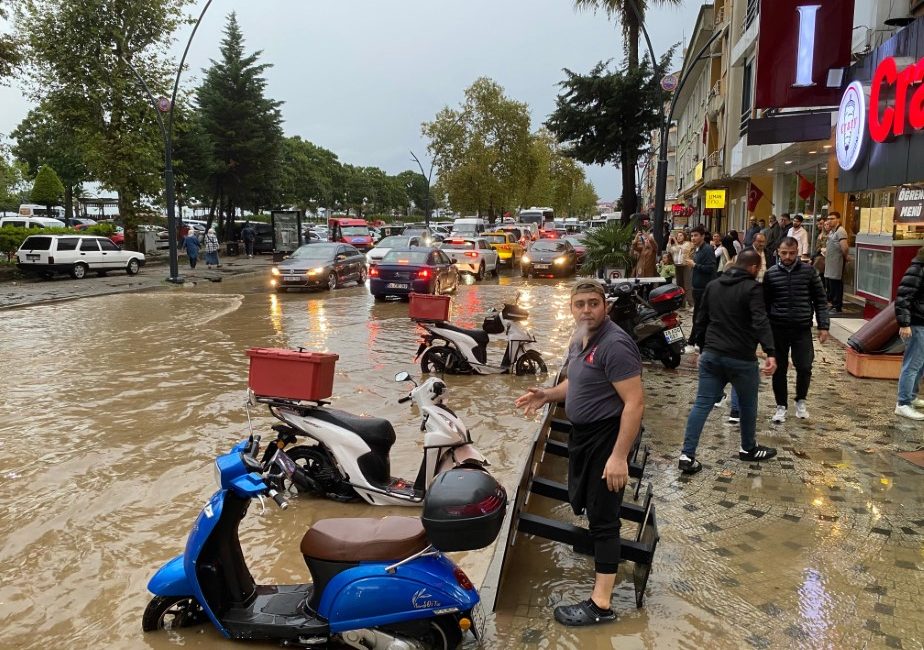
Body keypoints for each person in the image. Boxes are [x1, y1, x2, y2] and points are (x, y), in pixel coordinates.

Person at [515, 280, 644, 626]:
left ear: (606, 306)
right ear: (572, 308)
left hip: (607, 436)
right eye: (580, 304)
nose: (586, 310)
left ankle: (600, 605)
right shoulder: (580, 337)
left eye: (593, 303)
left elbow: (634, 402)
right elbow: (578, 382)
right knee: (587, 502)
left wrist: (619, 456)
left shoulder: (615, 344)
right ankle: (602, 565)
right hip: (584, 436)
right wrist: (546, 394)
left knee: (604, 516)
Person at [678, 249, 778, 475]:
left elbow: (701, 319)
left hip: (712, 355)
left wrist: (699, 348)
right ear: (752, 267)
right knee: (747, 403)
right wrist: (771, 352)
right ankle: (747, 448)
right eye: (758, 268)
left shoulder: (714, 286)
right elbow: (760, 320)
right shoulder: (753, 288)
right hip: (741, 357)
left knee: (702, 404)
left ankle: (687, 454)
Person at [763, 237, 830, 423]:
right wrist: (764, 332)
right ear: (778, 251)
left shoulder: (809, 272)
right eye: (784, 253)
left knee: (804, 366)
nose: (788, 256)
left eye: (792, 253)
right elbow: (765, 304)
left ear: (797, 252)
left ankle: (801, 400)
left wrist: (824, 326)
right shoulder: (771, 274)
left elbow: (820, 300)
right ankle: (781, 405)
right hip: (778, 328)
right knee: (779, 368)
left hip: (802, 328)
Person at [894, 248, 924, 420]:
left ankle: (911, 396)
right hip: (917, 323)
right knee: (913, 364)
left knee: (920, 364)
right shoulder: (918, 267)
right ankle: (903, 403)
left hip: (921, 321)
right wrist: (904, 323)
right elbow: (903, 296)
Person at [684, 225, 717, 351]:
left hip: (704, 289)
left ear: (702, 236)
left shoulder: (707, 249)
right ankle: (698, 341)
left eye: (696, 235)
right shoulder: (698, 249)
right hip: (697, 288)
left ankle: (693, 342)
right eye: (692, 236)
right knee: (699, 316)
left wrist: (695, 265)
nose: (693, 238)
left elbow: (711, 268)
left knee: (699, 316)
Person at [824, 211, 849, 314]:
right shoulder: (831, 231)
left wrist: (845, 257)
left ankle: (837, 306)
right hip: (830, 262)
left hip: (837, 262)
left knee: (836, 285)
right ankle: (833, 304)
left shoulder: (840, 231)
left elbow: (845, 247)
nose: (829, 220)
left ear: (838, 220)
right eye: (828, 218)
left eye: (832, 218)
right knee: (831, 285)